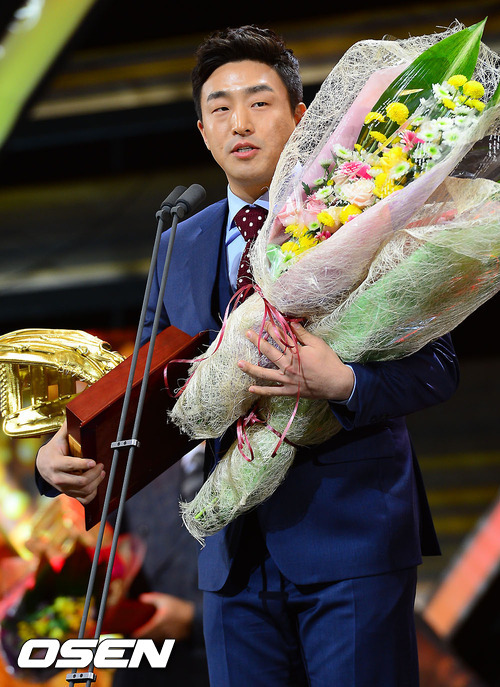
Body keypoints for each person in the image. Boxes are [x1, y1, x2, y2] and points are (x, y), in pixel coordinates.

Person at [36, 25, 460, 686]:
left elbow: (439, 366)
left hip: (352, 538)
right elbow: (145, 380)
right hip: (231, 555)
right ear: (203, 131)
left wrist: (344, 382)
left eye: (260, 102)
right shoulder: (180, 239)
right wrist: (63, 452)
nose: (240, 121)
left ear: (301, 116)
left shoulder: (364, 209)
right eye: (221, 107)